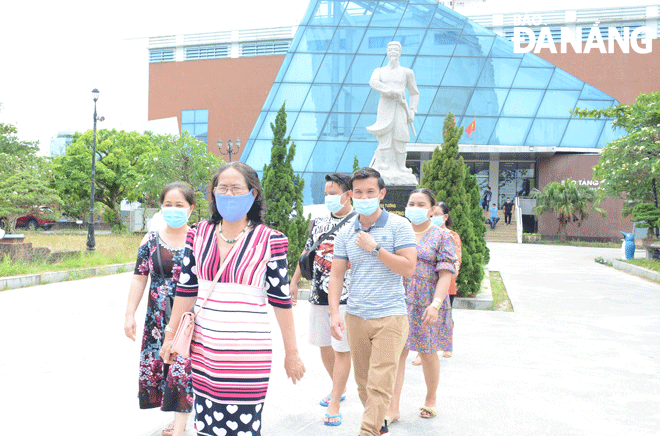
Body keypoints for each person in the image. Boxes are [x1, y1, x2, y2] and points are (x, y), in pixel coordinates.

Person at [159, 162, 305, 436]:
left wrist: (292, 353)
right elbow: (187, 289)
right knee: (207, 425)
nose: (228, 194)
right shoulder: (197, 234)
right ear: (213, 194)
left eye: (236, 188)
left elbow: (281, 301)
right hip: (204, 351)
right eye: (222, 188)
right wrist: (170, 336)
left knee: (243, 427)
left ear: (253, 194)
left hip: (248, 356)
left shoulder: (271, 240)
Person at [328, 167, 417, 436]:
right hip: (356, 316)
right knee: (364, 383)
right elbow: (336, 274)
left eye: (370, 192)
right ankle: (379, 425)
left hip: (390, 317)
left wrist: (376, 249)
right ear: (350, 195)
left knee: (380, 383)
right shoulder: (345, 232)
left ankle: (367, 431)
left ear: (381, 194)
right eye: (358, 192)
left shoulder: (400, 225)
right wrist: (334, 313)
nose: (364, 196)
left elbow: (408, 268)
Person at [124, 182, 196, 436]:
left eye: (180, 205)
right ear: (161, 207)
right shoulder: (150, 240)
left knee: (183, 368)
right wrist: (129, 314)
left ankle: (179, 426)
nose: (173, 209)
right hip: (157, 319)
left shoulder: (200, 239)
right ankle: (181, 417)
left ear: (191, 209)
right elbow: (139, 277)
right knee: (168, 369)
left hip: (190, 319)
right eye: (168, 205)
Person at [290, 173, 355, 426]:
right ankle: (337, 385)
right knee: (323, 344)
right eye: (326, 193)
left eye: (333, 193)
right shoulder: (319, 222)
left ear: (348, 194)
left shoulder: (358, 222)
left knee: (342, 347)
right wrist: (294, 281)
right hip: (318, 293)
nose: (328, 197)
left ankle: (336, 399)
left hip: (347, 296)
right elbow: (306, 253)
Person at [387, 189, 456, 424]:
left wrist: (435, 305)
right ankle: (392, 407)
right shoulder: (398, 231)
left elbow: (445, 274)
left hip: (428, 301)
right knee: (397, 353)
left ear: (432, 209)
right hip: (399, 298)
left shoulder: (442, 236)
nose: (414, 208)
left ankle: (431, 397)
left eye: (420, 204)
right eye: (411, 203)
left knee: (427, 352)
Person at [366, 41, 419, 180]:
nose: (393, 51)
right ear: (387, 52)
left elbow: (414, 93)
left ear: (400, 52)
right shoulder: (379, 71)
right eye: (390, 49)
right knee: (384, 134)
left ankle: (401, 166)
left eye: (396, 49)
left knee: (401, 135)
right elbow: (373, 82)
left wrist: (412, 111)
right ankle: (383, 163)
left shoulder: (407, 72)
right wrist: (391, 91)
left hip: (401, 107)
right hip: (385, 105)